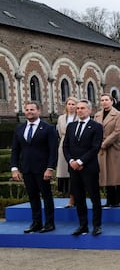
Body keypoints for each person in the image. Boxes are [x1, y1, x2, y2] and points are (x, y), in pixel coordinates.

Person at [11, 101, 59, 234]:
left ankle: (49, 223)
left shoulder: (48, 128)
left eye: (32, 109)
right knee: (32, 197)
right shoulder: (19, 128)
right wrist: (14, 168)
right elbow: (15, 150)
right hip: (27, 169)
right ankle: (36, 223)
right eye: (27, 110)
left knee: (46, 196)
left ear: (39, 111)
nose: (29, 112)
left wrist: (50, 168)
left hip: (43, 169)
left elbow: (53, 150)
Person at [62, 99, 103, 236]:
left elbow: (95, 148)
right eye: (78, 108)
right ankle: (82, 225)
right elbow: (65, 146)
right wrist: (71, 161)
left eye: (82, 108)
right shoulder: (71, 126)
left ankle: (97, 225)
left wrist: (80, 161)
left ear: (89, 110)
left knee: (94, 198)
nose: (79, 110)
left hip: (89, 168)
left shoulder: (96, 126)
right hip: (73, 169)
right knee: (79, 198)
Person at [94, 93, 120, 208]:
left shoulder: (118, 114)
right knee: (106, 173)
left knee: (116, 173)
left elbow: (117, 132)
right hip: (102, 148)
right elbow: (95, 130)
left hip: (115, 147)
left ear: (112, 101)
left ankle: (119, 199)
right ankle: (109, 199)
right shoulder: (97, 115)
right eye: (102, 100)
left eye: (107, 100)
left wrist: (105, 143)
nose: (104, 102)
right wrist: (98, 143)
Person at [55, 96, 78, 208]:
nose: (71, 106)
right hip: (63, 145)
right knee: (65, 174)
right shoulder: (61, 118)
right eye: (69, 104)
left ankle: (75, 199)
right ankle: (69, 198)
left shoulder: (79, 117)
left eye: (73, 104)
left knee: (74, 174)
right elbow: (60, 132)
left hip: (76, 145)